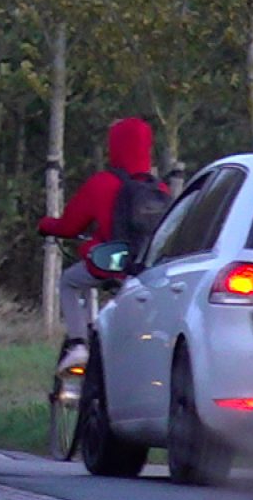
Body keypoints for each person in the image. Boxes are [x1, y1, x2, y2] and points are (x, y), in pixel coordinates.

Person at [37, 117, 165, 371]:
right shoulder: (159, 189)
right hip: (144, 271)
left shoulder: (102, 183)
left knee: (69, 282)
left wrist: (45, 225)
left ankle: (78, 345)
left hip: (109, 264)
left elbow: (69, 227)